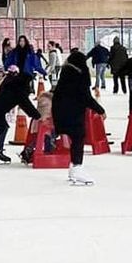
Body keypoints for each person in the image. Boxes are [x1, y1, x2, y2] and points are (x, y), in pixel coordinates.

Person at [52, 50, 104, 186]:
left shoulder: (65, 73)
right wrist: (100, 110)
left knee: (76, 138)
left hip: (60, 112)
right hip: (72, 113)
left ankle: (73, 168)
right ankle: (77, 167)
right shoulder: (79, 76)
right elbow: (85, 97)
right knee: (78, 138)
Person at [0, 69, 40, 165]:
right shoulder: (19, 90)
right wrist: (38, 116)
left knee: (3, 128)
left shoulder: (11, 82)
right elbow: (27, 105)